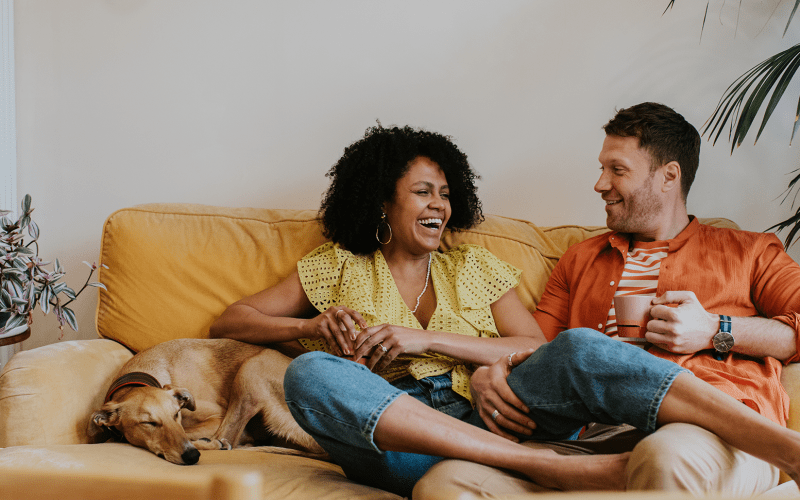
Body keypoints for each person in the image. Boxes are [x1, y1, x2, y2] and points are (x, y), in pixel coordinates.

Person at [210, 123, 800, 499]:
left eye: (445, 193)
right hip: (406, 429)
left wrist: (432, 342)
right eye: (423, 192)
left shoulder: (474, 266)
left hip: (491, 413)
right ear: (381, 200)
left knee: (584, 348)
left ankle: (780, 447)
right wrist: (310, 327)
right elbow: (231, 322)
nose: (439, 204)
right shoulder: (334, 264)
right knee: (310, 375)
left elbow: (545, 351)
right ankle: (542, 466)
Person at [424, 102, 800, 497]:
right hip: (594, 437)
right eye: (602, 168)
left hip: (711, 432)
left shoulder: (749, 252)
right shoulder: (580, 259)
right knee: (445, 482)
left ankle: (785, 451)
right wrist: (491, 372)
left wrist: (714, 330)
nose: (600, 184)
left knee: (663, 457)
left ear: (669, 176)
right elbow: (538, 351)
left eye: (617, 170)